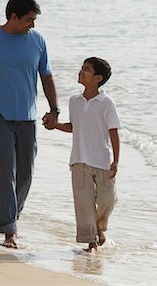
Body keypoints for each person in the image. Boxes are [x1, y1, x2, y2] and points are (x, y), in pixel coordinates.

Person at [0, 0, 60, 249]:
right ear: (14, 17)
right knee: (5, 172)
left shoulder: (37, 41)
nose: (33, 25)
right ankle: (9, 230)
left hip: (27, 116)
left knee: (26, 173)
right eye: (29, 20)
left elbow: (47, 76)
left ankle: (11, 218)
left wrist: (55, 109)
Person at [43, 57, 120, 252]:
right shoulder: (74, 101)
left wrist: (116, 161)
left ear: (98, 78)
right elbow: (74, 127)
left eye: (86, 69)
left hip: (103, 160)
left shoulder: (106, 103)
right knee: (84, 204)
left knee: (107, 200)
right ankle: (91, 242)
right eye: (82, 68)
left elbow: (113, 131)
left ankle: (100, 229)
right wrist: (55, 126)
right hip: (78, 160)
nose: (81, 71)